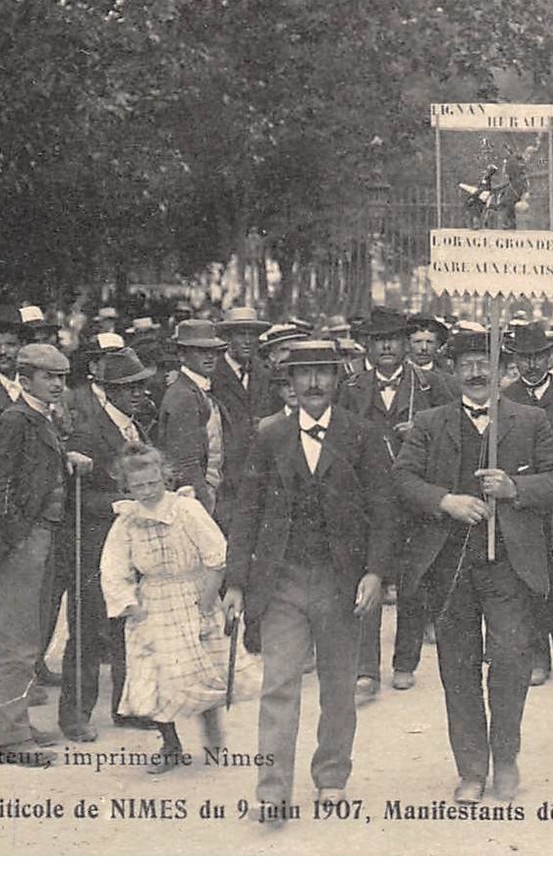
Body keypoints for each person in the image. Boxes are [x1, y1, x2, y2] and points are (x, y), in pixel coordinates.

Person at [392, 327, 553, 802]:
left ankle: (506, 756)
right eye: (467, 365)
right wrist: (445, 501)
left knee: (512, 662)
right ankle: (472, 768)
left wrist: (515, 490)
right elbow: (402, 480)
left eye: (485, 364)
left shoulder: (530, 420)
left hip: (509, 565)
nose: (476, 372)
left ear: (502, 371)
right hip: (448, 565)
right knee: (458, 667)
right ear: (454, 372)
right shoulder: (431, 424)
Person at [222, 340, 395, 828]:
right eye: (304, 375)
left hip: (341, 582)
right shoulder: (268, 435)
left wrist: (376, 572)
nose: (314, 383)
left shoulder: (362, 435)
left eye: (323, 373)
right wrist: (236, 583)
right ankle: (272, 790)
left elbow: (384, 510)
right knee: (279, 684)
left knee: (339, 686)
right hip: (281, 581)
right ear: (290, 384)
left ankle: (332, 775)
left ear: (337, 380)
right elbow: (246, 513)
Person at [0, 343, 88, 767]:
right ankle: (9, 737)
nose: (57, 384)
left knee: (27, 638)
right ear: (24, 378)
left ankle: (11, 721)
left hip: (40, 535)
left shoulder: (41, 418)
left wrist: (64, 462)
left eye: (62, 377)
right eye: (48, 376)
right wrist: (17, 536)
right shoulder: (16, 419)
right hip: (24, 540)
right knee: (17, 642)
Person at [102, 443, 248, 772]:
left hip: (193, 592)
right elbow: (113, 566)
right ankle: (169, 743)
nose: (147, 491)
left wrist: (206, 599)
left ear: (164, 477)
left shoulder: (185, 509)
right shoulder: (127, 520)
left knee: (198, 669)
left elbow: (217, 556)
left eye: (153, 483)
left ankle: (211, 728)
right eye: (138, 486)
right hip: (152, 600)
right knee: (154, 674)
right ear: (128, 486)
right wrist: (129, 602)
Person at [339, 306, 454, 700]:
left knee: (413, 580)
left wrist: (422, 436)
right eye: (378, 339)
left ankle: (405, 662)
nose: (386, 345)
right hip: (366, 499)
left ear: (407, 343)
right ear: (366, 346)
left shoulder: (433, 386)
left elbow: (453, 438)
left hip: (415, 497)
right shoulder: (351, 388)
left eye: (393, 338)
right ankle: (365, 671)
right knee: (366, 576)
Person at [58, 348, 157, 741]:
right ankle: (75, 715)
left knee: (125, 627)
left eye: (139, 386)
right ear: (106, 390)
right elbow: (72, 498)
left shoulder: (137, 428)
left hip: (127, 547)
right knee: (87, 631)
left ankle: (125, 705)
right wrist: (116, 504)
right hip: (93, 545)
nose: (135, 394)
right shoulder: (88, 432)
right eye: (125, 388)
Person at [500, 323, 553, 686]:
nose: (531, 365)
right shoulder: (505, 397)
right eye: (523, 358)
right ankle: (538, 654)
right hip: (521, 499)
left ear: (551, 357)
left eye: (538, 357)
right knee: (529, 578)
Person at [158, 319, 228, 515]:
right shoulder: (183, 395)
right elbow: (186, 461)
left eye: (213, 351)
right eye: (200, 351)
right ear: (182, 355)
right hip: (194, 495)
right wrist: (204, 504)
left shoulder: (199, 389)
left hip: (212, 489)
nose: (209, 357)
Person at [213, 307, 273, 531]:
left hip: (259, 473)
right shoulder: (213, 374)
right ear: (227, 338)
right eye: (241, 334)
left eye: (253, 334)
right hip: (225, 477)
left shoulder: (264, 373)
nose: (248, 341)